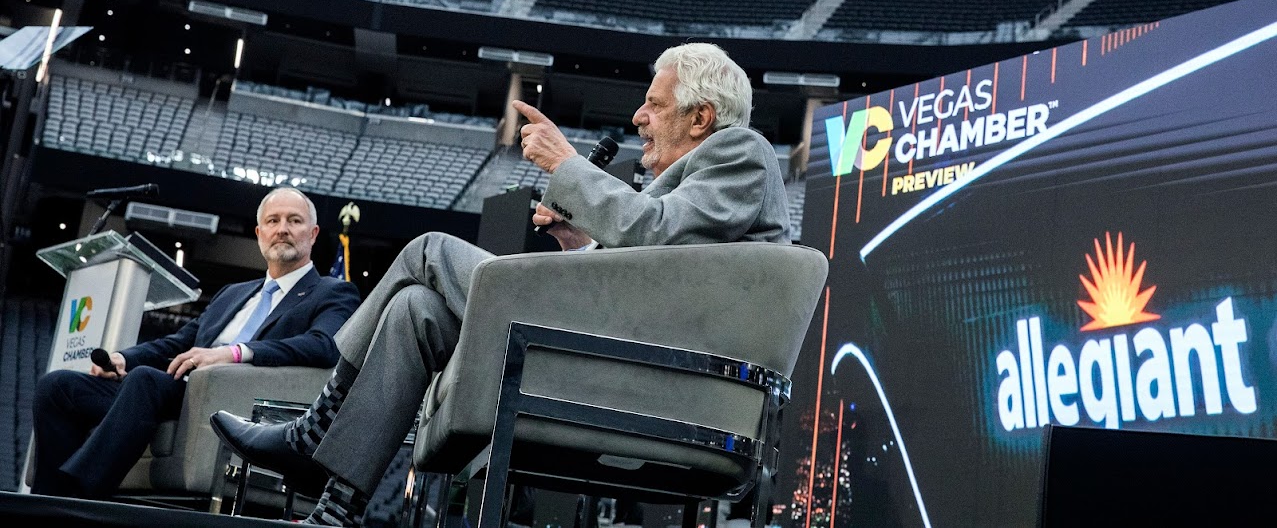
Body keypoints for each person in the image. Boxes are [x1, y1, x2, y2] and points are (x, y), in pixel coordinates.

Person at [211, 42, 790, 527]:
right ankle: (338, 508)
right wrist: (579, 241)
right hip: (619, 361)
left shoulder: (742, 153)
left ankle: (312, 433)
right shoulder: (702, 182)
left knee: (427, 250)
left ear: (701, 117)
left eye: (653, 104)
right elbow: (651, 267)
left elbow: (653, 234)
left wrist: (567, 163)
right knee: (417, 310)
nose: (638, 117)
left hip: (650, 380)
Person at [29, 186, 361, 499]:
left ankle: (78, 495)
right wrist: (124, 359)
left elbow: (323, 345)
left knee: (146, 380)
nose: (282, 229)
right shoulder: (233, 293)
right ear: (260, 234)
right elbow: (179, 343)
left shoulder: (333, 292)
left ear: (313, 234)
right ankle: (46, 497)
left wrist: (234, 353)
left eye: (295, 220)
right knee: (57, 386)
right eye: (272, 221)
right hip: (173, 392)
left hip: (234, 399)